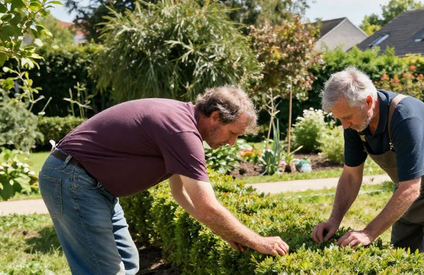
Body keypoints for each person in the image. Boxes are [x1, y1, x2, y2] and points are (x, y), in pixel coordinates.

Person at [39, 86, 289, 275]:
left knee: (128, 262)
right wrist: (258, 241)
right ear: (215, 117)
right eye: (233, 133)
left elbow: (180, 193)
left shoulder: (182, 121)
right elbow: (207, 207)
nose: (232, 142)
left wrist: (223, 231)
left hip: (93, 185)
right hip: (74, 178)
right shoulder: (183, 132)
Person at [310, 67, 424, 269]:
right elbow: (350, 176)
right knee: (400, 261)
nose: (344, 125)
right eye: (339, 118)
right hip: (407, 189)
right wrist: (334, 220)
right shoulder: (355, 124)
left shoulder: (406, 118)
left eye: (347, 116)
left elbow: (411, 187)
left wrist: (369, 233)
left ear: (368, 102)